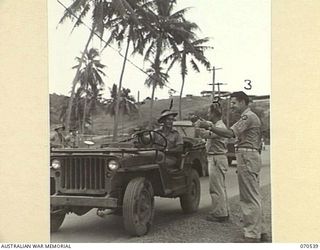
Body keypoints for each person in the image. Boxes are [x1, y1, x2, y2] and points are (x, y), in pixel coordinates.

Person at [198, 91, 267, 243]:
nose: (232, 106)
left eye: (234, 103)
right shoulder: (250, 117)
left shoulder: (247, 117)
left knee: (248, 197)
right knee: (254, 195)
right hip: (249, 156)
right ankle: (259, 232)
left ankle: (251, 235)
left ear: (243, 102)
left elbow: (229, 133)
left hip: (247, 156)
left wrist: (209, 126)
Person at [197, 103, 230, 223]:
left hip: (216, 158)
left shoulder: (219, 127)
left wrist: (199, 127)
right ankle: (223, 211)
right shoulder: (218, 125)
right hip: (217, 158)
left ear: (214, 113)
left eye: (209, 112)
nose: (207, 114)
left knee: (216, 188)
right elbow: (209, 126)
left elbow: (206, 134)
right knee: (220, 187)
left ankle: (219, 214)